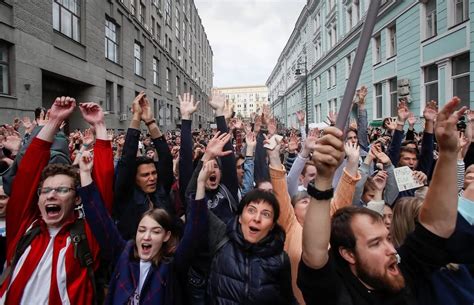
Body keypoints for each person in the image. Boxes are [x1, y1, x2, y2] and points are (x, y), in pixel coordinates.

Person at [298, 97, 467, 305]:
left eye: (387, 238)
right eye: (375, 243)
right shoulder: (335, 294)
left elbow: (436, 225)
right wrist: (323, 179)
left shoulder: (403, 272)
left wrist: (449, 153)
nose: (392, 250)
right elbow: (314, 255)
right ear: (349, 254)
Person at [0, 97, 112, 304]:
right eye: (46, 190)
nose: (51, 195)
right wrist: (53, 121)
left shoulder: (86, 236)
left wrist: (99, 126)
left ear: (77, 197)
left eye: (62, 190)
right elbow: (28, 174)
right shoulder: (24, 228)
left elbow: (104, 190)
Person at [79, 149, 209, 305]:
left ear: (166, 236)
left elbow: (194, 232)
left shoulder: (172, 266)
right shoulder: (124, 254)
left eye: (155, 231)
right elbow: (100, 220)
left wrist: (200, 184)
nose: (146, 236)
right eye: (142, 230)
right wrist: (85, 174)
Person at [114, 92, 175, 240]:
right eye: (145, 175)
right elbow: (128, 158)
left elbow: (165, 158)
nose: (152, 178)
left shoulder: (161, 191)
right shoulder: (126, 195)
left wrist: (150, 122)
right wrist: (136, 117)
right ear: (134, 178)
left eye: (153, 173)